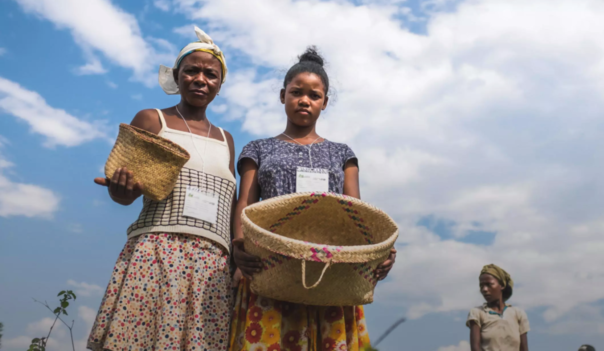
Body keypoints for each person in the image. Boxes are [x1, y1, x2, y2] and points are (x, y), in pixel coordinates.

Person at [230, 47, 397, 351]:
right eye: (296, 92)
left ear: (325, 103)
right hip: (271, 267)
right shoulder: (258, 148)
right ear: (283, 95)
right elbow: (245, 204)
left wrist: (380, 251)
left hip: (330, 274)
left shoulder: (342, 153)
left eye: (314, 95)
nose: (304, 100)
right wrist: (239, 246)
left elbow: (356, 212)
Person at [88, 27, 237, 351]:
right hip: (157, 251)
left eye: (210, 74)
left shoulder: (227, 140)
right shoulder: (153, 120)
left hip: (211, 266)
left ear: (220, 84)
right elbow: (122, 192)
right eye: (192, 71)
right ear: (177, 75)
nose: (201, 79)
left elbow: (232, 210)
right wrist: (121, 191)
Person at [467, 264, 530, 351]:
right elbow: (475, 348)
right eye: (482, 285)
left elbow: (524, 349)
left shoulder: (518, 314)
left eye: (489, 284)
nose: (484, 289)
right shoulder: (477, 313)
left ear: (502, 285)